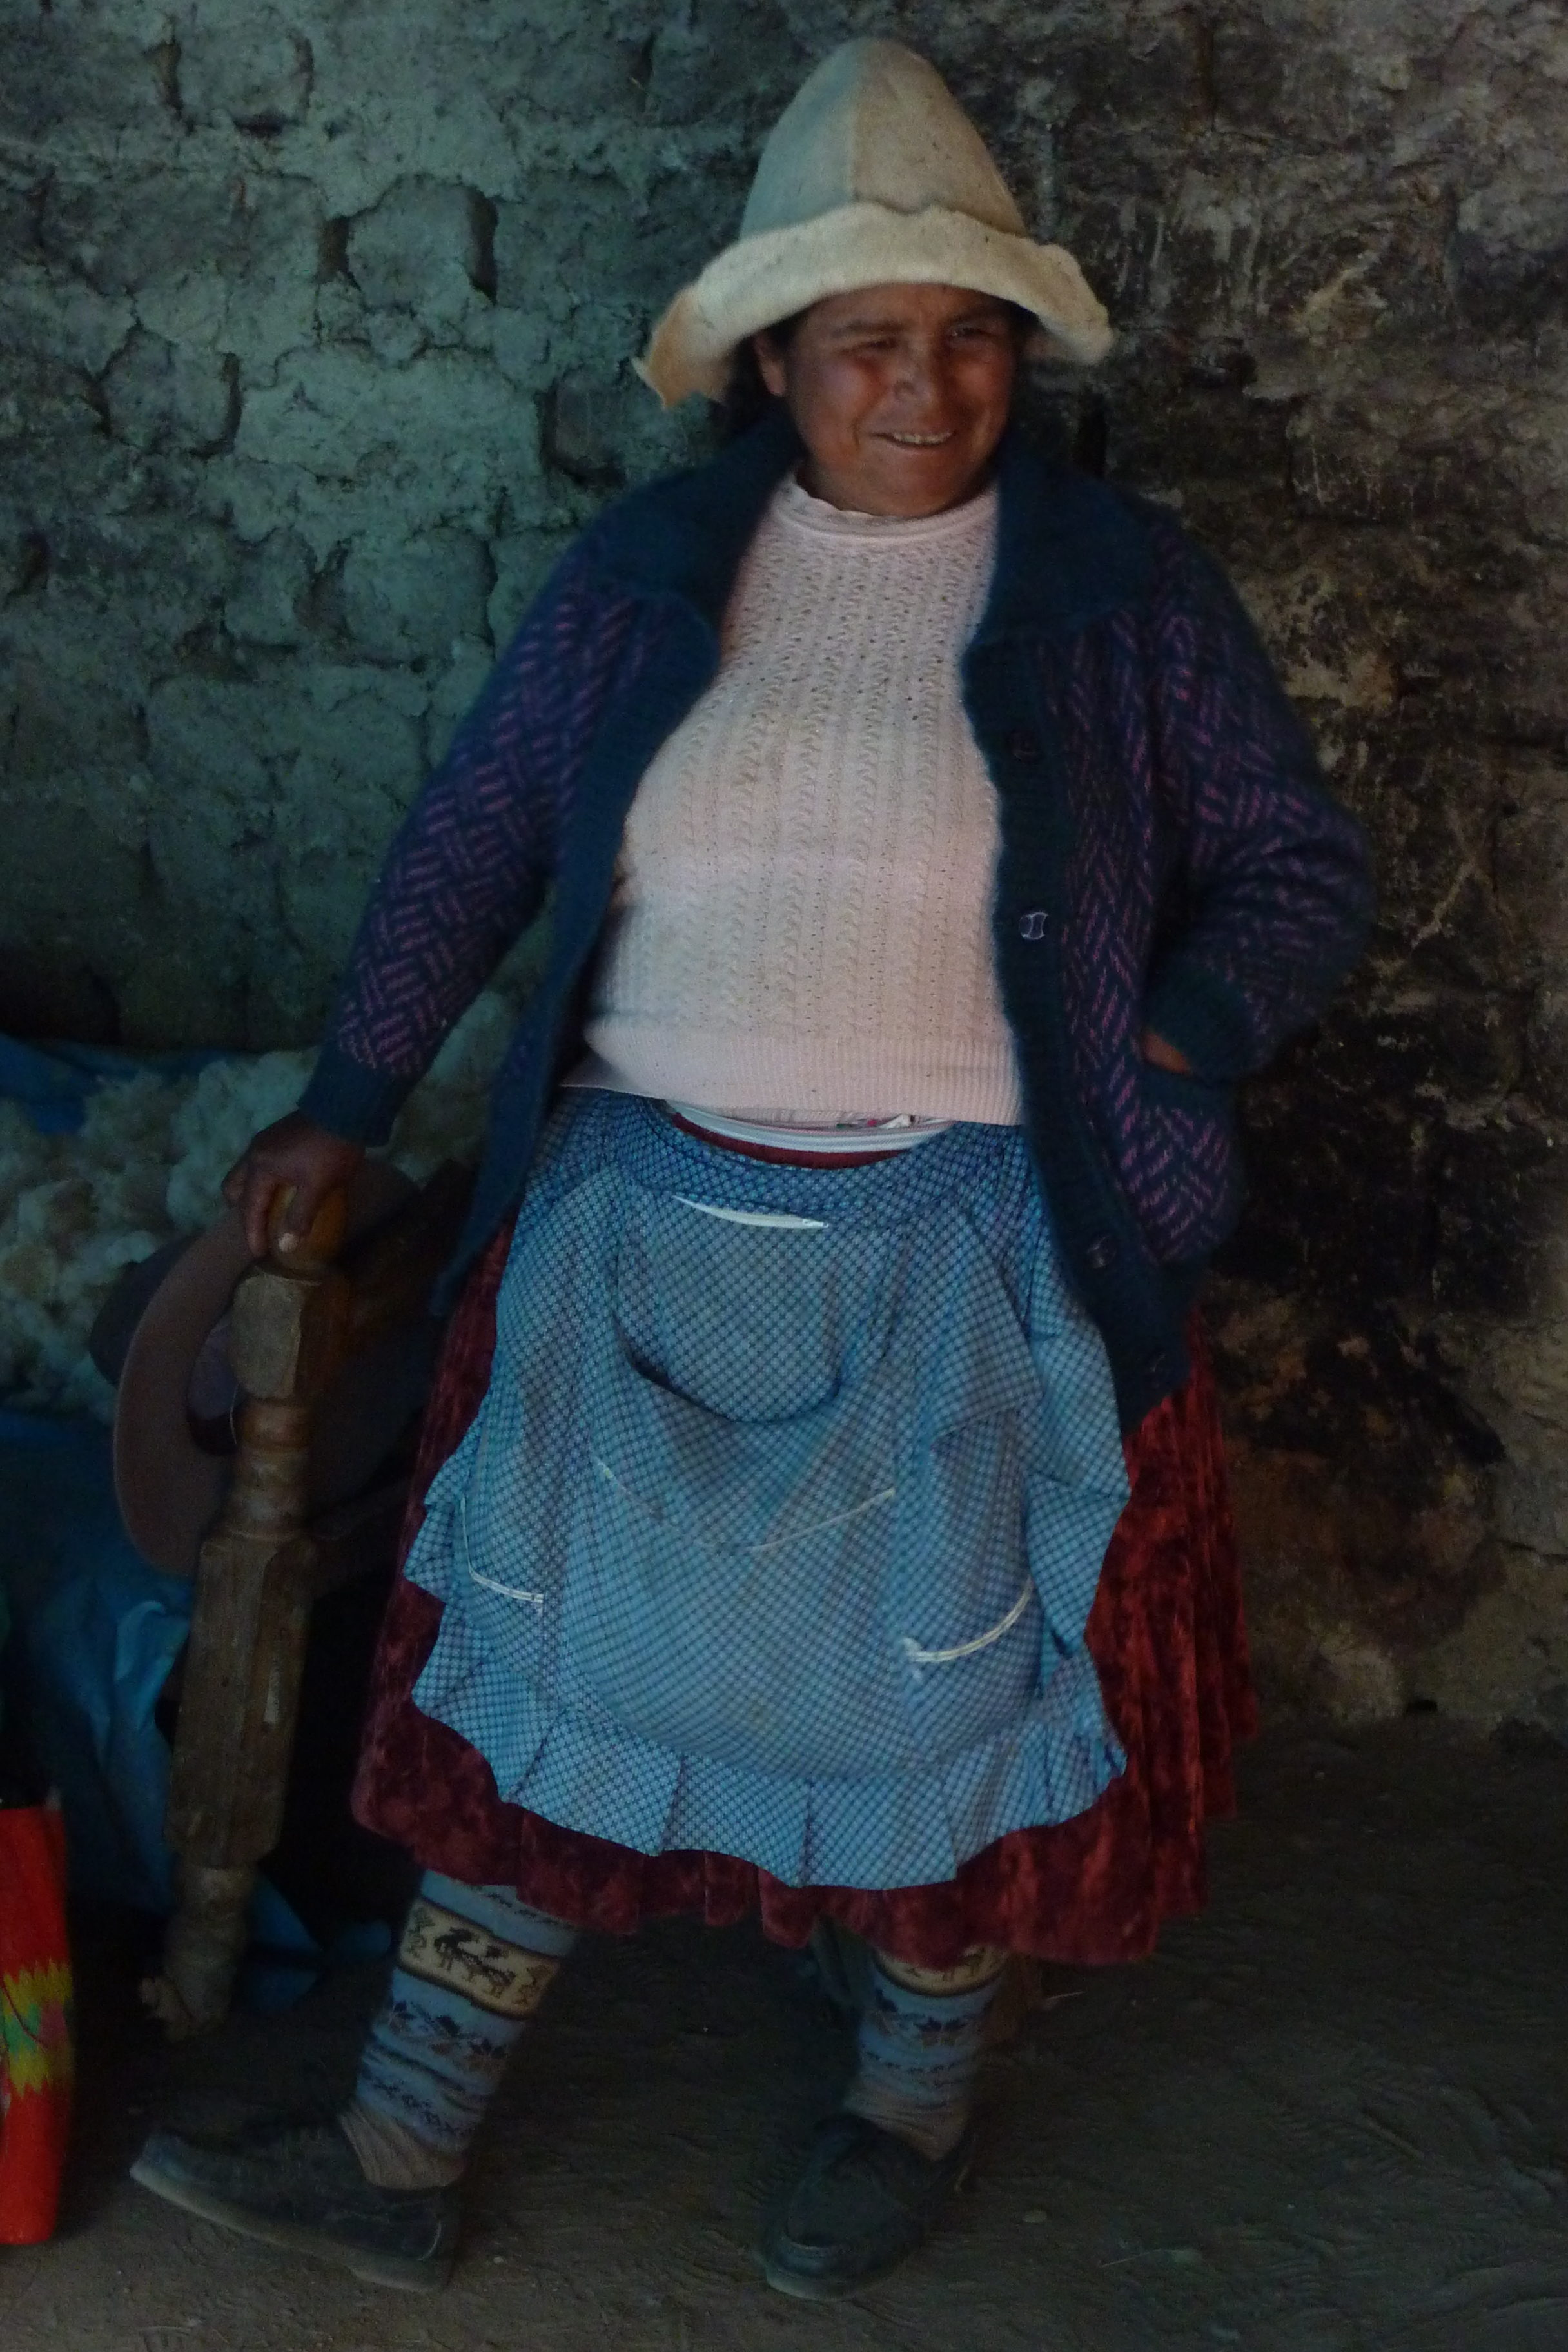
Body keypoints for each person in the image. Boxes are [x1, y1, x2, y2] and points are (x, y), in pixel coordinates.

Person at [130, 38, 1371, 2302]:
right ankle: (400, 2149)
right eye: (869, 339)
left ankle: (906, 2109)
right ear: (774, 362)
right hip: (640, 1221)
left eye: (971, 337)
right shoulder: (651, 573)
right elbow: (477, 836)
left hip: (971, 1235)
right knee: (552, 1678)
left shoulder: (1118, 589)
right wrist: (350, 1090)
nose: (928, 388)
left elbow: (1298, 870)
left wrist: (1174, 1034)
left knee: (946, 1694)